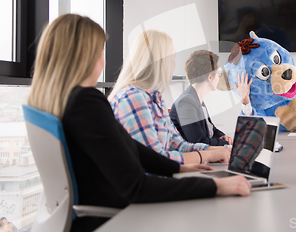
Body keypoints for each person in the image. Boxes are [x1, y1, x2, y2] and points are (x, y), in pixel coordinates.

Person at [27, 14, 251, 232]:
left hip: (89, 214)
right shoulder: (86, 103)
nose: (103, 59)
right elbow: (137, 186)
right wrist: (216, 186)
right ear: (85, 57)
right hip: (112, 218)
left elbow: (133, 149)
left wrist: (177, 167)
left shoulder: (62, 102)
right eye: (101, 51)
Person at [109, 30, 230, 164]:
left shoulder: (156, 99)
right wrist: (207, 155)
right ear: (160, 61)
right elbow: (155, 160)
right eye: (172, 57)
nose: (174, 63)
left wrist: (218, 150)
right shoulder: (134, 98)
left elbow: (179, 145)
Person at [170, 50, 234, 145]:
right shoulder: (186, 102)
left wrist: (224, 136)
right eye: (218, 73)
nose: (218, 77)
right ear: (209, 77)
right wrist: (225, 143)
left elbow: (211, 129)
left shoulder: (196, 99)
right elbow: (199, 142)